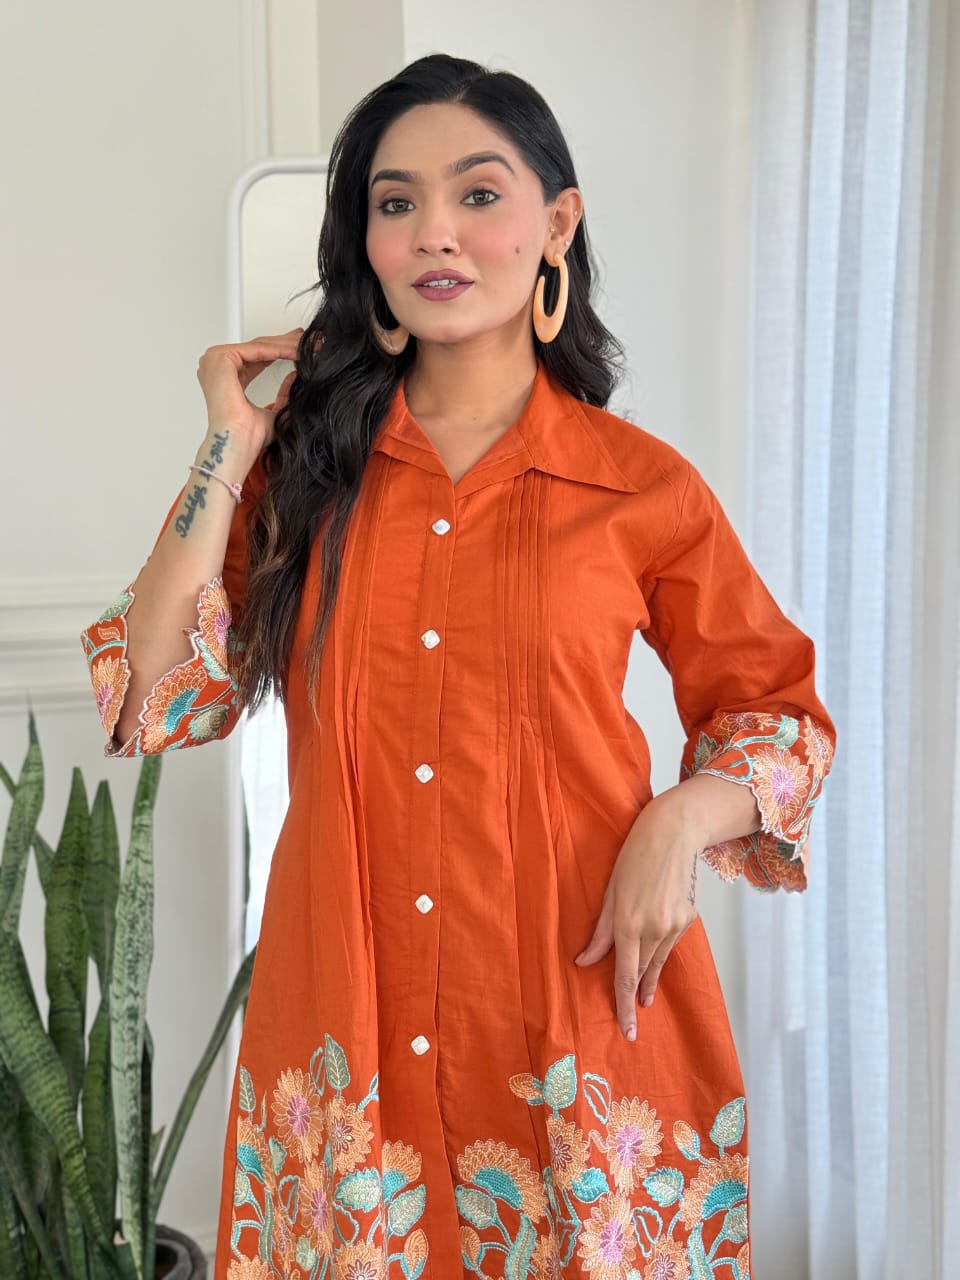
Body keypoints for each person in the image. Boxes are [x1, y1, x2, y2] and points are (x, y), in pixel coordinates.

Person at [81, 52, 835, 1280]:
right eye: (397, 202)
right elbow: (149, 697)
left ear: (557, 224)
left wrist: (680, 820)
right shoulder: (302, 475)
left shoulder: (641, 487)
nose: (435, 230)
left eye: (479, 194)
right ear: (368, 243)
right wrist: (227, 442)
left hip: (577, 1019)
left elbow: (779, 714)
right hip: (348, 1025)